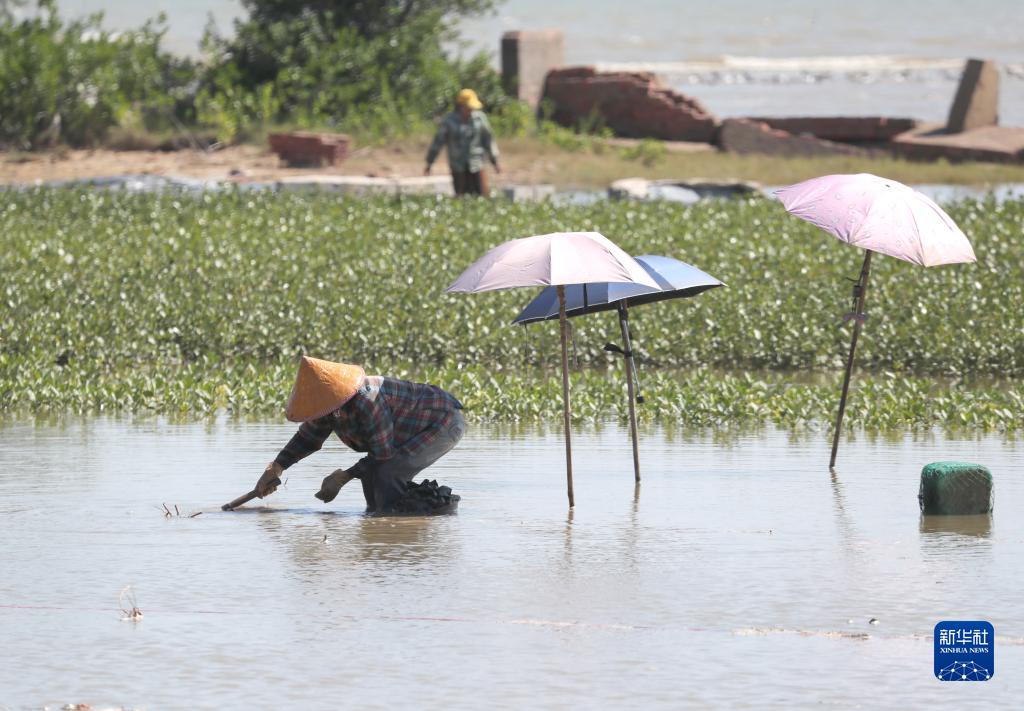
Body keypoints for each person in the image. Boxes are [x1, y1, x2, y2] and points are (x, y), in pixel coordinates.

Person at [255, 356, 465, 513]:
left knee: (387, 472)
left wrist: (343, 477)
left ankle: (392, 526)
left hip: (443, 423)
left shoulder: (367, 400)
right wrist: (276, 467)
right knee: (371, 475)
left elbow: (383, 454)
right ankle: (379, 520)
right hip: (410, 430)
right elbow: (307, 438)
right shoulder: (328, 406)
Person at [424, 88, 500, 196]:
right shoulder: (449, 121)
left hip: (476, 163)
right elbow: (438, 143)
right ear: (460, 106)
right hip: (457, 165)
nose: (471, 110)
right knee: (461, 196)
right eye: (468, 107)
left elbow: (488, 140)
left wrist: (495, 161)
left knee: (482, 195)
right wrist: (429, 162)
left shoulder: (479, 119)